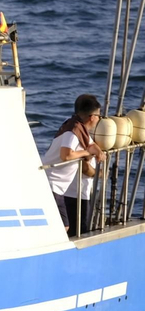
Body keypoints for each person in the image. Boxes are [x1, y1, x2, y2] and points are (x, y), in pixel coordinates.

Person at [42, 94, 105, 237]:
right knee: (63, 226)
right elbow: (66, 155)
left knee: (64, 225)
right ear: (92, 117)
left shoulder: (76, 125)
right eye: (99, 116)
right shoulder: (73, 132)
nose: (99, 120)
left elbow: (90, 144)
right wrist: (86, 153)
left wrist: (98, 151)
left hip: (57, 186)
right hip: (53, 183)